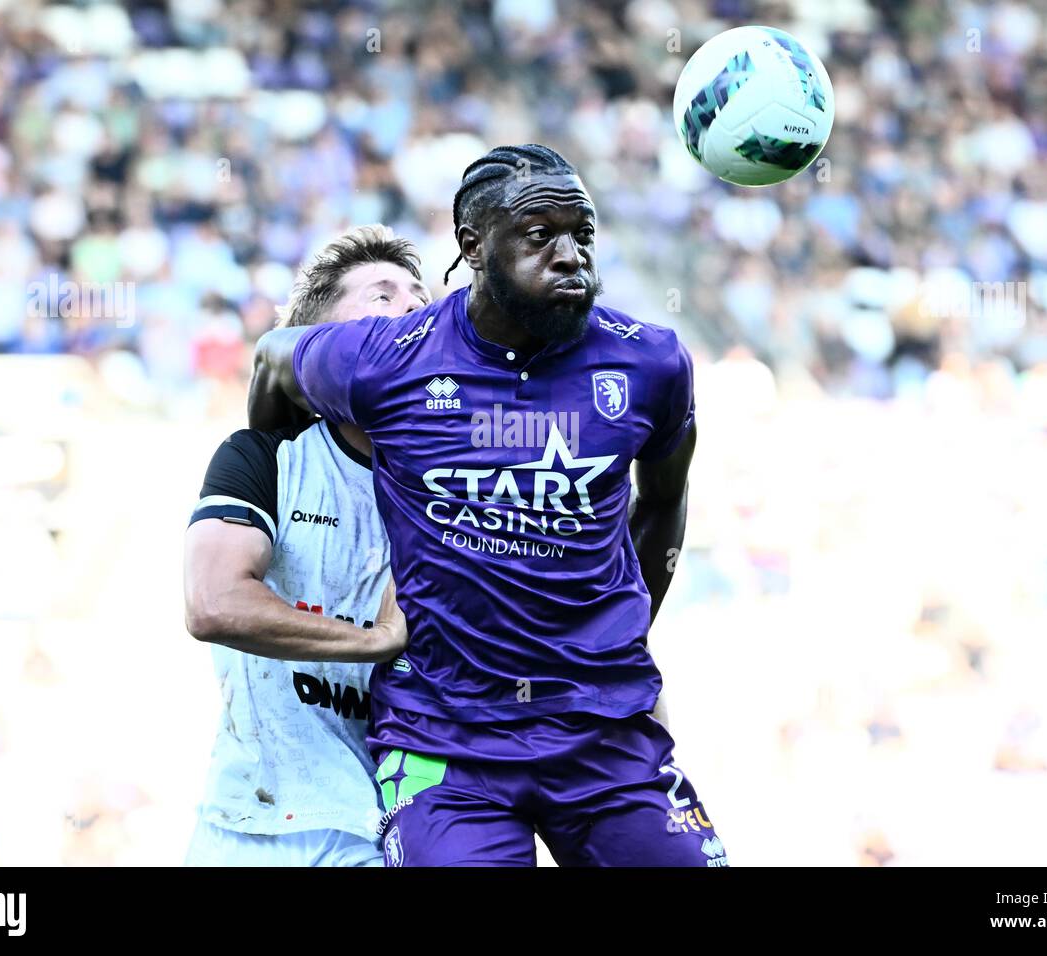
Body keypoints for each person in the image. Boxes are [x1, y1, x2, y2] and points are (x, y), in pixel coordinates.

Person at [249, 145, 726, 867]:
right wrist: (266, 476)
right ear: (473, 247)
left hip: (603, 733)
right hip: (444, 741)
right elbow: (272, 357)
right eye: (541, 236)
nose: (570, 257)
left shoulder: (650, 364)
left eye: (583, 235)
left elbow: (663, 502)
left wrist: (618, 634)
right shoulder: (386, 360)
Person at [182, 224, 431, 866]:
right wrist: (374, 640)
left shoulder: (455, 489)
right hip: (245, 825)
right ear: (320, 344)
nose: (410, 306)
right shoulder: (265, 458)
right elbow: (212, 603)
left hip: (378, 830)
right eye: (381, 295)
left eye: (418, 294)